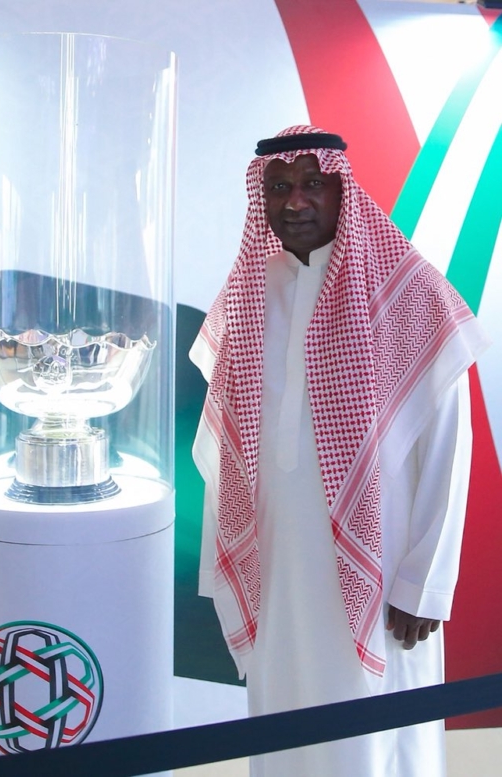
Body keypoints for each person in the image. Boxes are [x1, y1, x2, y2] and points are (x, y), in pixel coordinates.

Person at [190, 125, 489, 776]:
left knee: (376, 728)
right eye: (277, 187)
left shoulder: (408, 293)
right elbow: (227, 445)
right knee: (283, 720)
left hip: (381, 562)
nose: (294, 201)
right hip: (275, 560)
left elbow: (447, 447)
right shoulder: (248, 292)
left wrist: (424, 581)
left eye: (311, 184)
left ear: (342, 191)